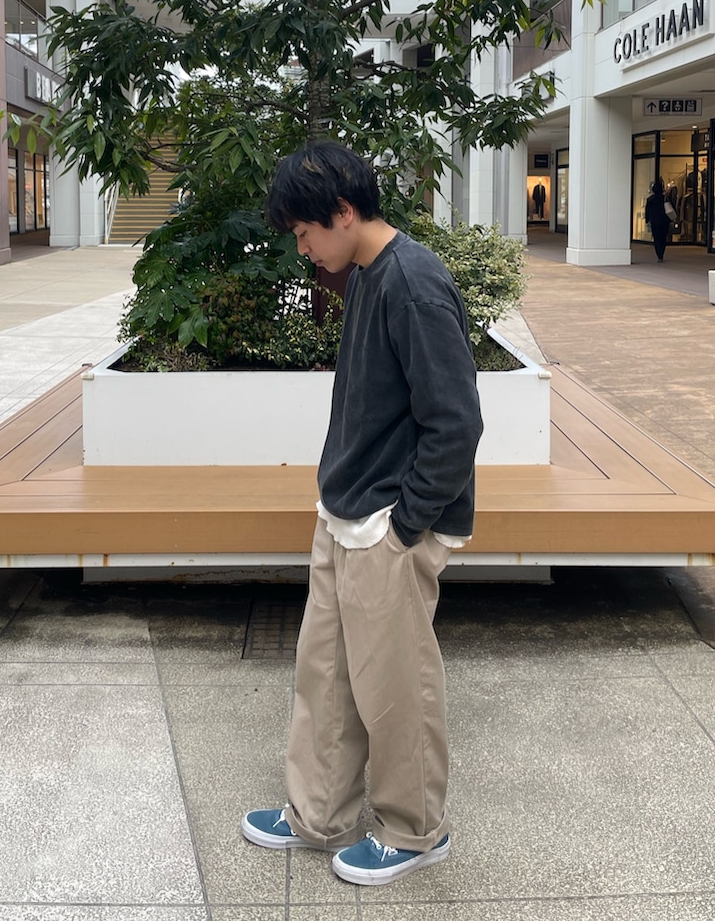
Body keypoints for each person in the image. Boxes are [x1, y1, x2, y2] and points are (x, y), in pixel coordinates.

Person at [241, 141, 483, 887]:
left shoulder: (412, 282)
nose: (303, 248)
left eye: (305, 231)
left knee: (394, 688)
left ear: (342, 211)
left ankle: (415, 831)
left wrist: (406, 526)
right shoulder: (370, 275)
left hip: (386, 524)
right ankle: (320, 814)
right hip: (347, 511)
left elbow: (456, 423)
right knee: (327, 676)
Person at [644, 177, 674, 262]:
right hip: (664, 220)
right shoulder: (665, 198)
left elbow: (647, 210)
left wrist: (647, 220)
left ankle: (659, 254)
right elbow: (671, 208)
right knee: (663, 237)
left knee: (656, 238)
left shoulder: (650, 200)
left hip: (654, 221)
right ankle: (662, 253)